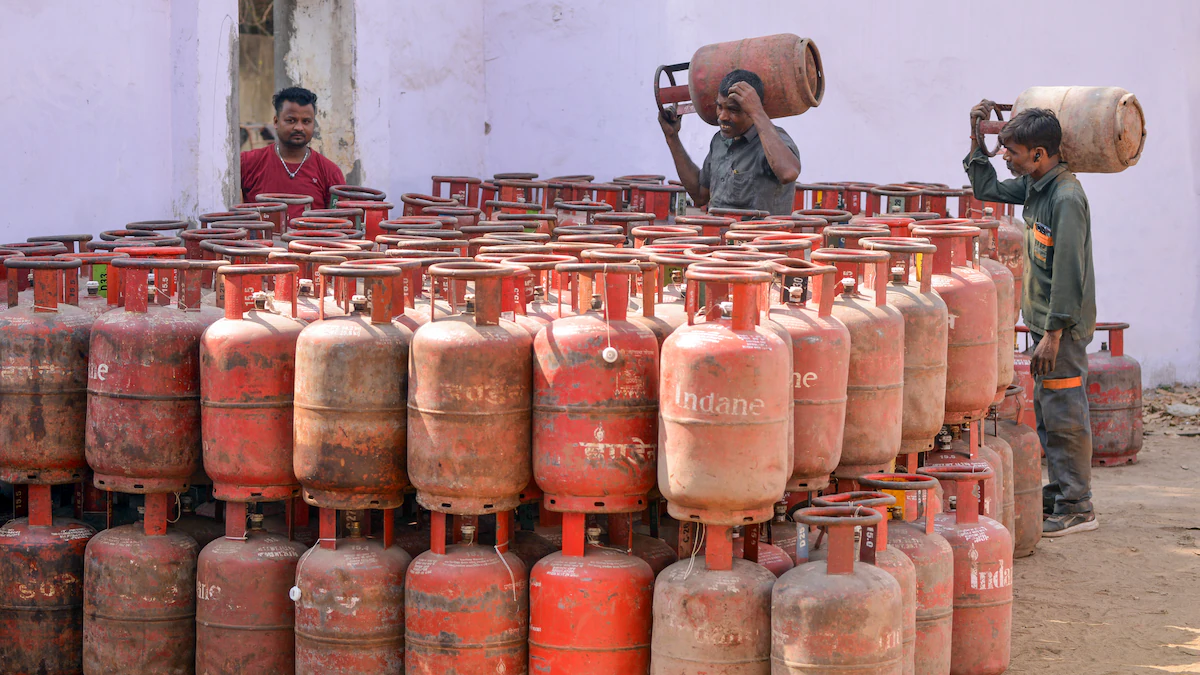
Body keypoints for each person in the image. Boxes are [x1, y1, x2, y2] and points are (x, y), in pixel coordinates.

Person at [965, 102, 1098, 537]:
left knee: (1065, 416)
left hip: (1061, 331)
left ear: (1039, 155)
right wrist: (976, 139)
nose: (1008, 159)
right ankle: (1061, 492)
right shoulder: (1036, 187)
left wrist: (1054, 334)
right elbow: (986, 188)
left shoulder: (1065, 198)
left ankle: (1078, 506)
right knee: (1048, 412)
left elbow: (1068, 273)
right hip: (1046, 327)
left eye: (1014, 153)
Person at [658, 69, 801, 215]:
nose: (723, 116)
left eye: (733, 110)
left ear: (754, 109)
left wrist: (758, 112)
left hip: (758, 236)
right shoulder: (719, 140)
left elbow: (788, 173)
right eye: (720, 107)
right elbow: (700, 195)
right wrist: (672, 137)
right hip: (718, 235)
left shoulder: (775, 140)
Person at [241, 87, 346, 218]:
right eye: (291, 120)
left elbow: (339, 223)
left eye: (306, 121)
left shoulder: (330, 172)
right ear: (276, 121)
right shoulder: (247, 163)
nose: (299, 127)